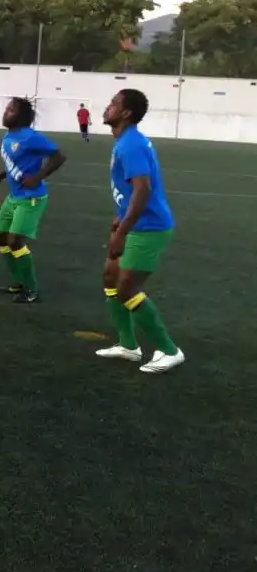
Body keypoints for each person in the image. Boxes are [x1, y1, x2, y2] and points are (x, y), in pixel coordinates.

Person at [95, 89, 184, 374]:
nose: (108, 107)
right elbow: (129, 189)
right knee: (110, 277)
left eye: (114, 104)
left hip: (149, 227)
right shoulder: (124, 141)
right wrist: (118, 220)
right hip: (133, 223)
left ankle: (170, 351)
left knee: (127, 289)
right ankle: (128, 346)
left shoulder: (130, 144)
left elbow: (142, 189)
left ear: (126, 113)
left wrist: (122, 231)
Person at [0, 97, 67, 304]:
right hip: (14, 196)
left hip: (31, 198)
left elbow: (59, 156)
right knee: (1, 239)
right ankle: (20, 281)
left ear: (21, 116)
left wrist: (38, 177)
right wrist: (1, 175)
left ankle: (31, 290)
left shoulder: (31, 137)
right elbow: (16, 163)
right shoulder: (9, 136)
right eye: (7, 108)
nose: (6, 112)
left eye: (11, 110)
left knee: (15, 241)